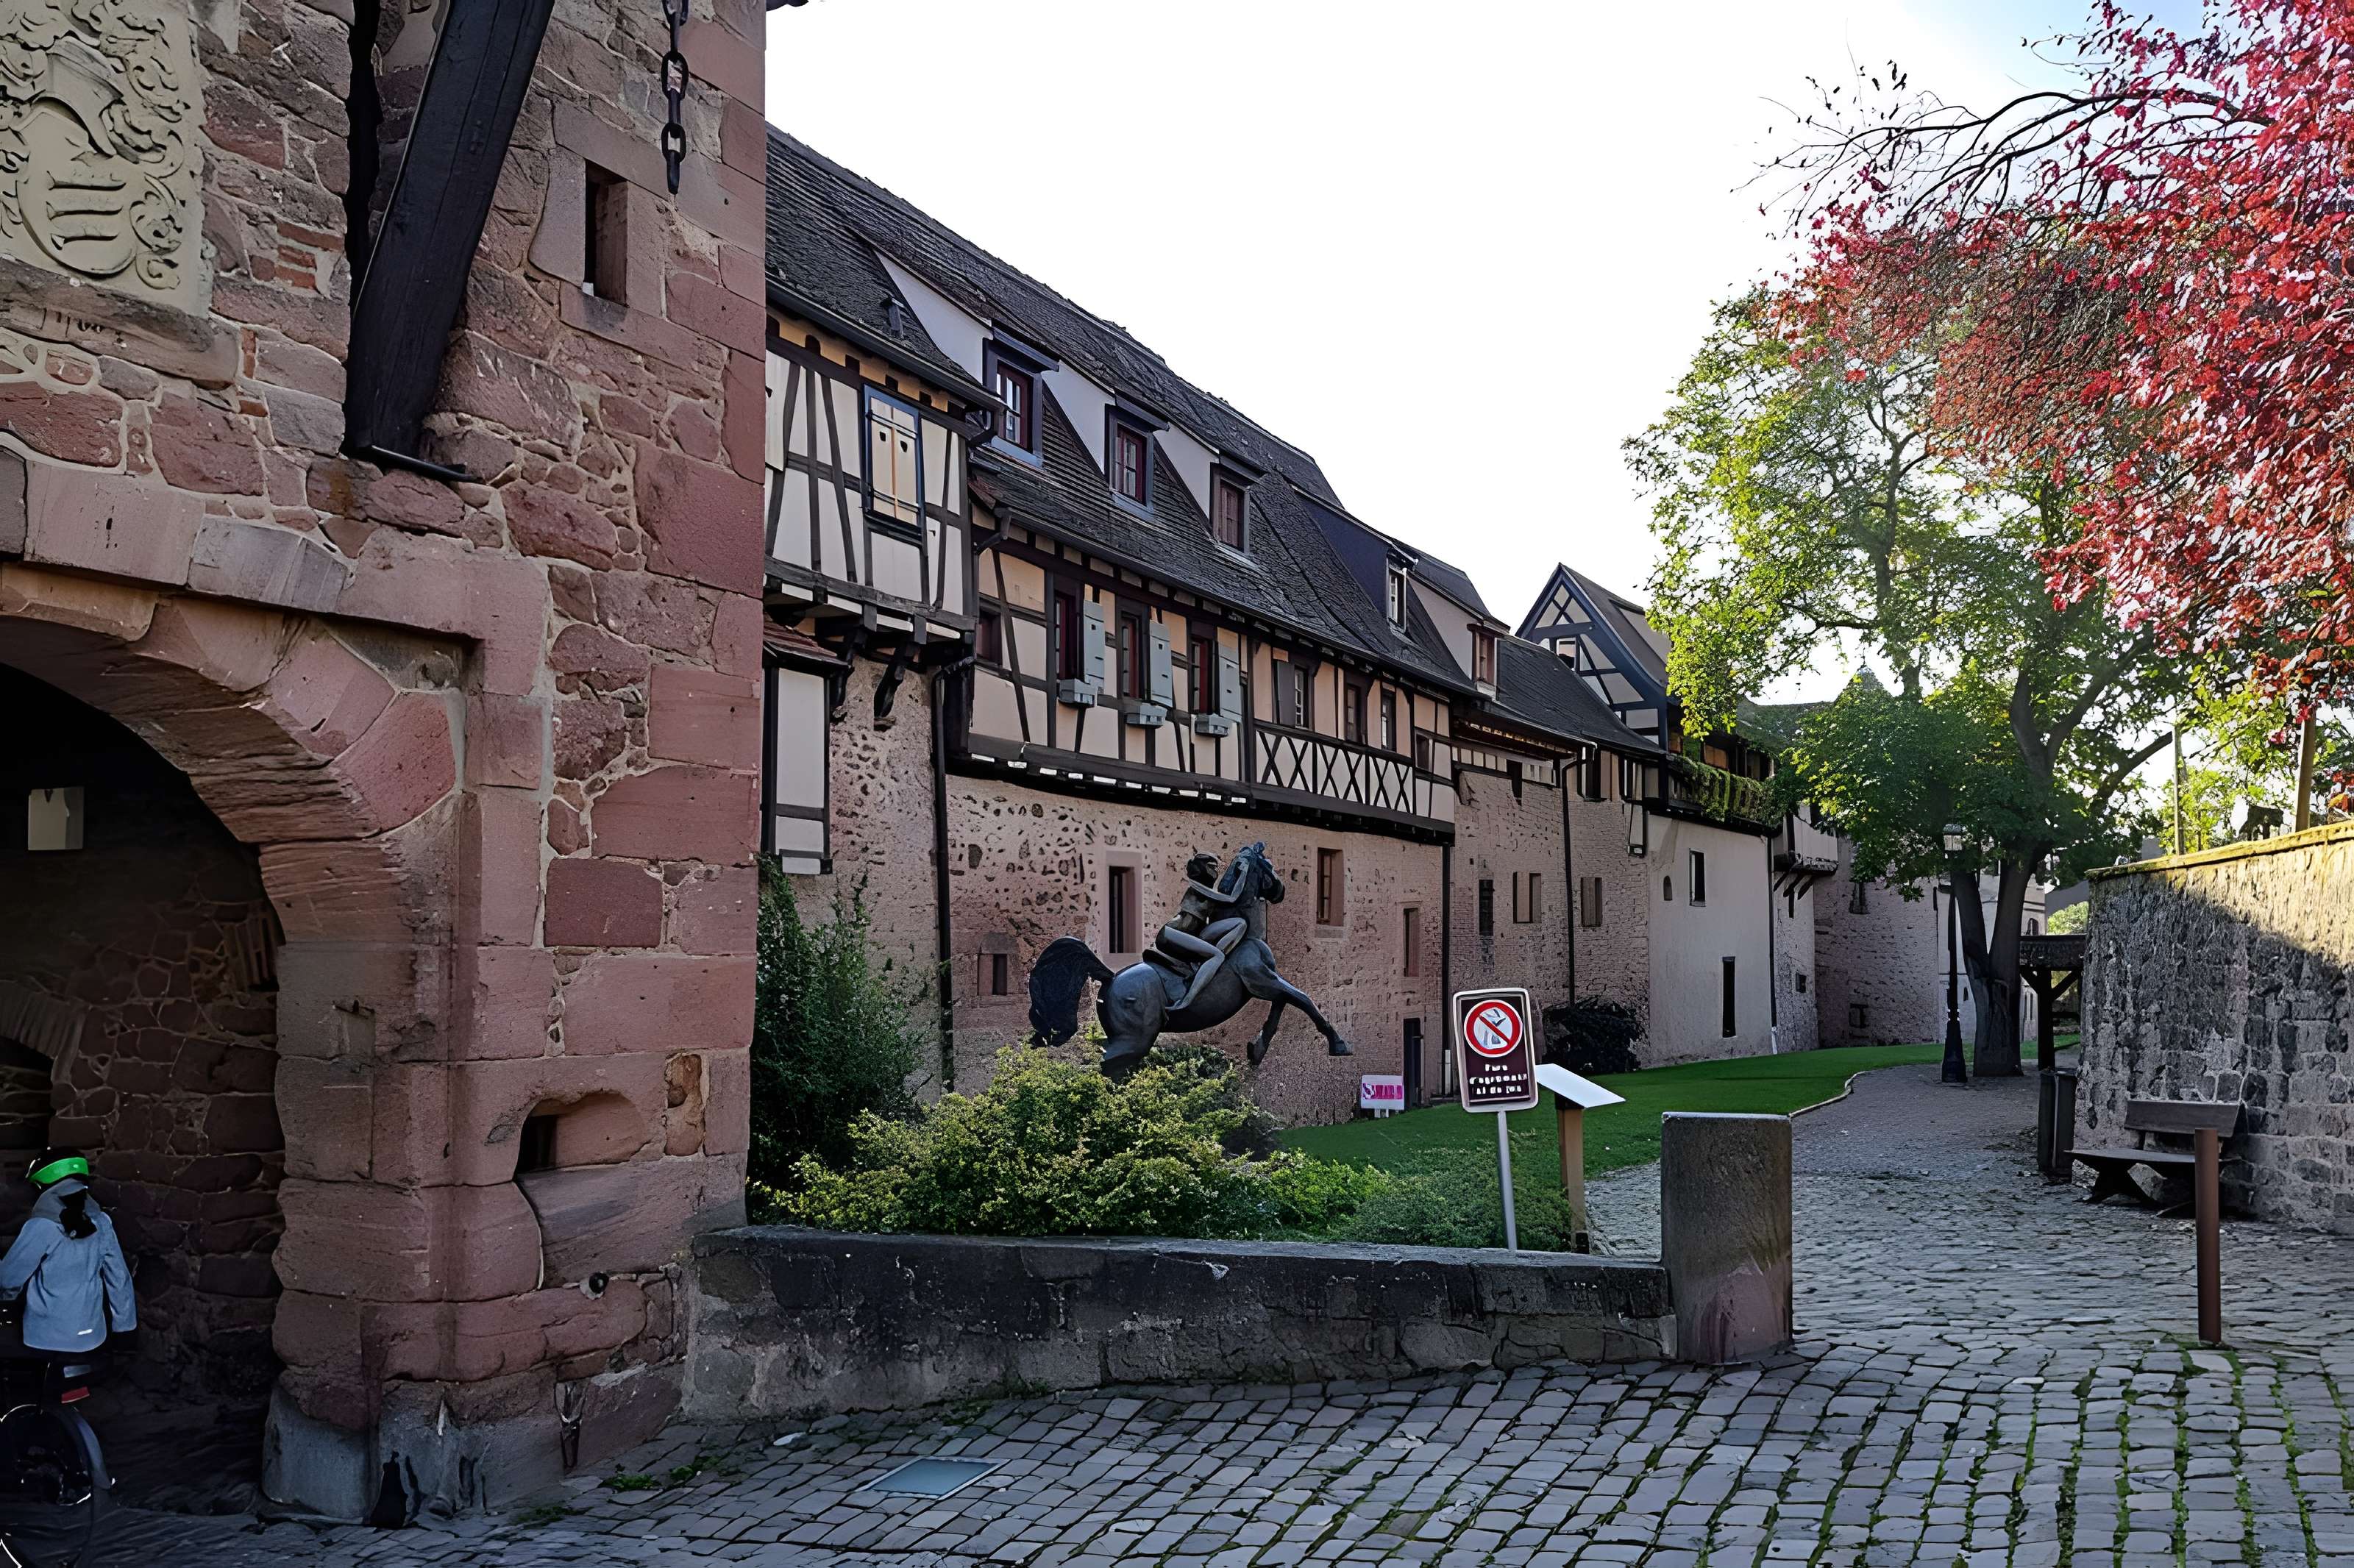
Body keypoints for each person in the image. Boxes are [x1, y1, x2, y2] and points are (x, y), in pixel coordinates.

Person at [0, 1149, 135, 1357]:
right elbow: (119, 1280)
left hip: (44, 1339)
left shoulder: (41, 1226)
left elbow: (9, 1278)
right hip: (92, 1338)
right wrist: (124, 1329)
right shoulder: (102, 1222)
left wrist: (7, 1298)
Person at [1149, 849, 1251, 1013]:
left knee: (1240, 924)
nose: (1215, 872)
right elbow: (1232, 898)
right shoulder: (1195, 884)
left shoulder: (1209, 891)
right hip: (1172, 933)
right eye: (1212, 867)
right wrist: (1244, 872)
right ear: (1201, 868)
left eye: (1216, 868)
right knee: (1217, 956)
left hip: (1194, 933)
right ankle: (1186, 1000)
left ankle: (1206, 960)